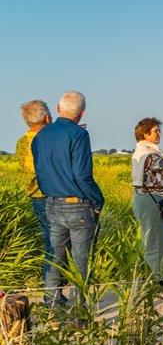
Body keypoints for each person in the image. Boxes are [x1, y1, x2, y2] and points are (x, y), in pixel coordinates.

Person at [31, 91, 104, 310]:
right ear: (82, 113)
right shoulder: (79, 135)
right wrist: (98, 200)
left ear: (58, 108)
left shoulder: (40, 136)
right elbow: (82, 175)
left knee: (55, 254)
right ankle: (78, 311)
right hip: (77, 204)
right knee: (81, 259)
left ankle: (52, 304)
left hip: (51, 201)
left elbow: (40, 170)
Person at [131, 117, 163, 279]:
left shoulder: (139, 152)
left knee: (152, 237)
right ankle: (157, 278)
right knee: (156, 239)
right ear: (145, 134)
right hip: (153, 200)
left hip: (144, 198)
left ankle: (156, 275)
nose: (159, 134)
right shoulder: (151, 155)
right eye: (155, 131)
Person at [16, 100, 53, 283]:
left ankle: (53, 293)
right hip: (48, 197)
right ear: (47, 117)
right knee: (56, 247)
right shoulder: (43, 141)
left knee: (52, 245)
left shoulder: (22, 142)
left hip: (36, 197)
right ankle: (53, 295)